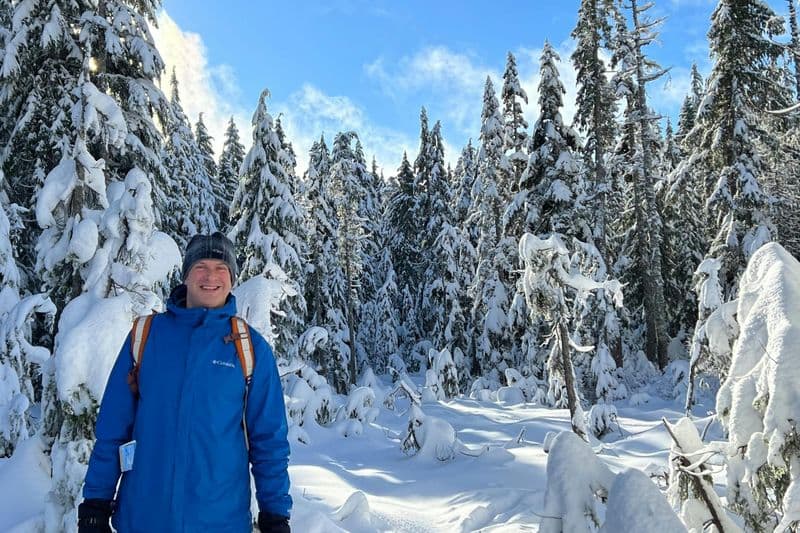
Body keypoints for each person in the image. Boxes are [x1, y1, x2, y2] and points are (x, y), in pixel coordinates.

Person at [78, 232, 292, 532]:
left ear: (232, 278)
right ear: (186, 275)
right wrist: (96, 502)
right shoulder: (146, 336)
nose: (211, 276)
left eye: (221, 268)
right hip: (143, 518)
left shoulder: (249, 349)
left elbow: (269, 441)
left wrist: (275, 514)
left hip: (219, 521)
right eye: (200, 266)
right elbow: (113, 429)